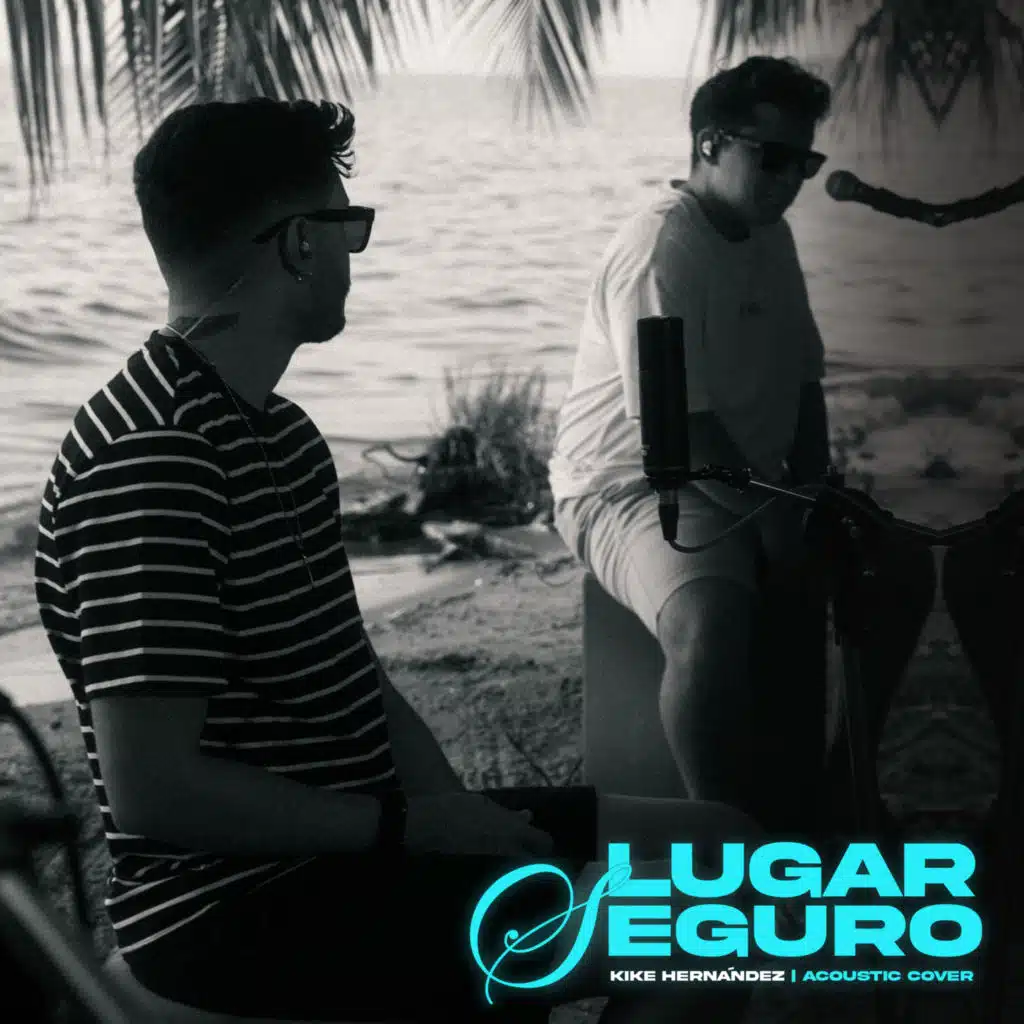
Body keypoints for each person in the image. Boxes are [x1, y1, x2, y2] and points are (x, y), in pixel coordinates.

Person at [34, 97, 764, 1023]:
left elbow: (357, 681)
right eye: (350, 227)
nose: (355, 254)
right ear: (301, 243)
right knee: (718, 923)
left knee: (728, 847)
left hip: (361, 841)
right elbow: (154, 793)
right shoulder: (156, 454)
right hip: (241, 908)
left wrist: (462, 822)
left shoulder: (281, 435)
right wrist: (411, 827)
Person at [549, 57, 934, 839]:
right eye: (773, 157)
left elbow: (805, 383)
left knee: (901, 565)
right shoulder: (663, 246)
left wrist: (813, 490)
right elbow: (681, 430)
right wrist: (774, 524)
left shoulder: (771, 237)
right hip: (631, 482)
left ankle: (838, 789)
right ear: (710, 144)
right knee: (710, 622)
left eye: (804, 163)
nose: (790, 180)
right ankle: (724, 837)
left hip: (749, 482)